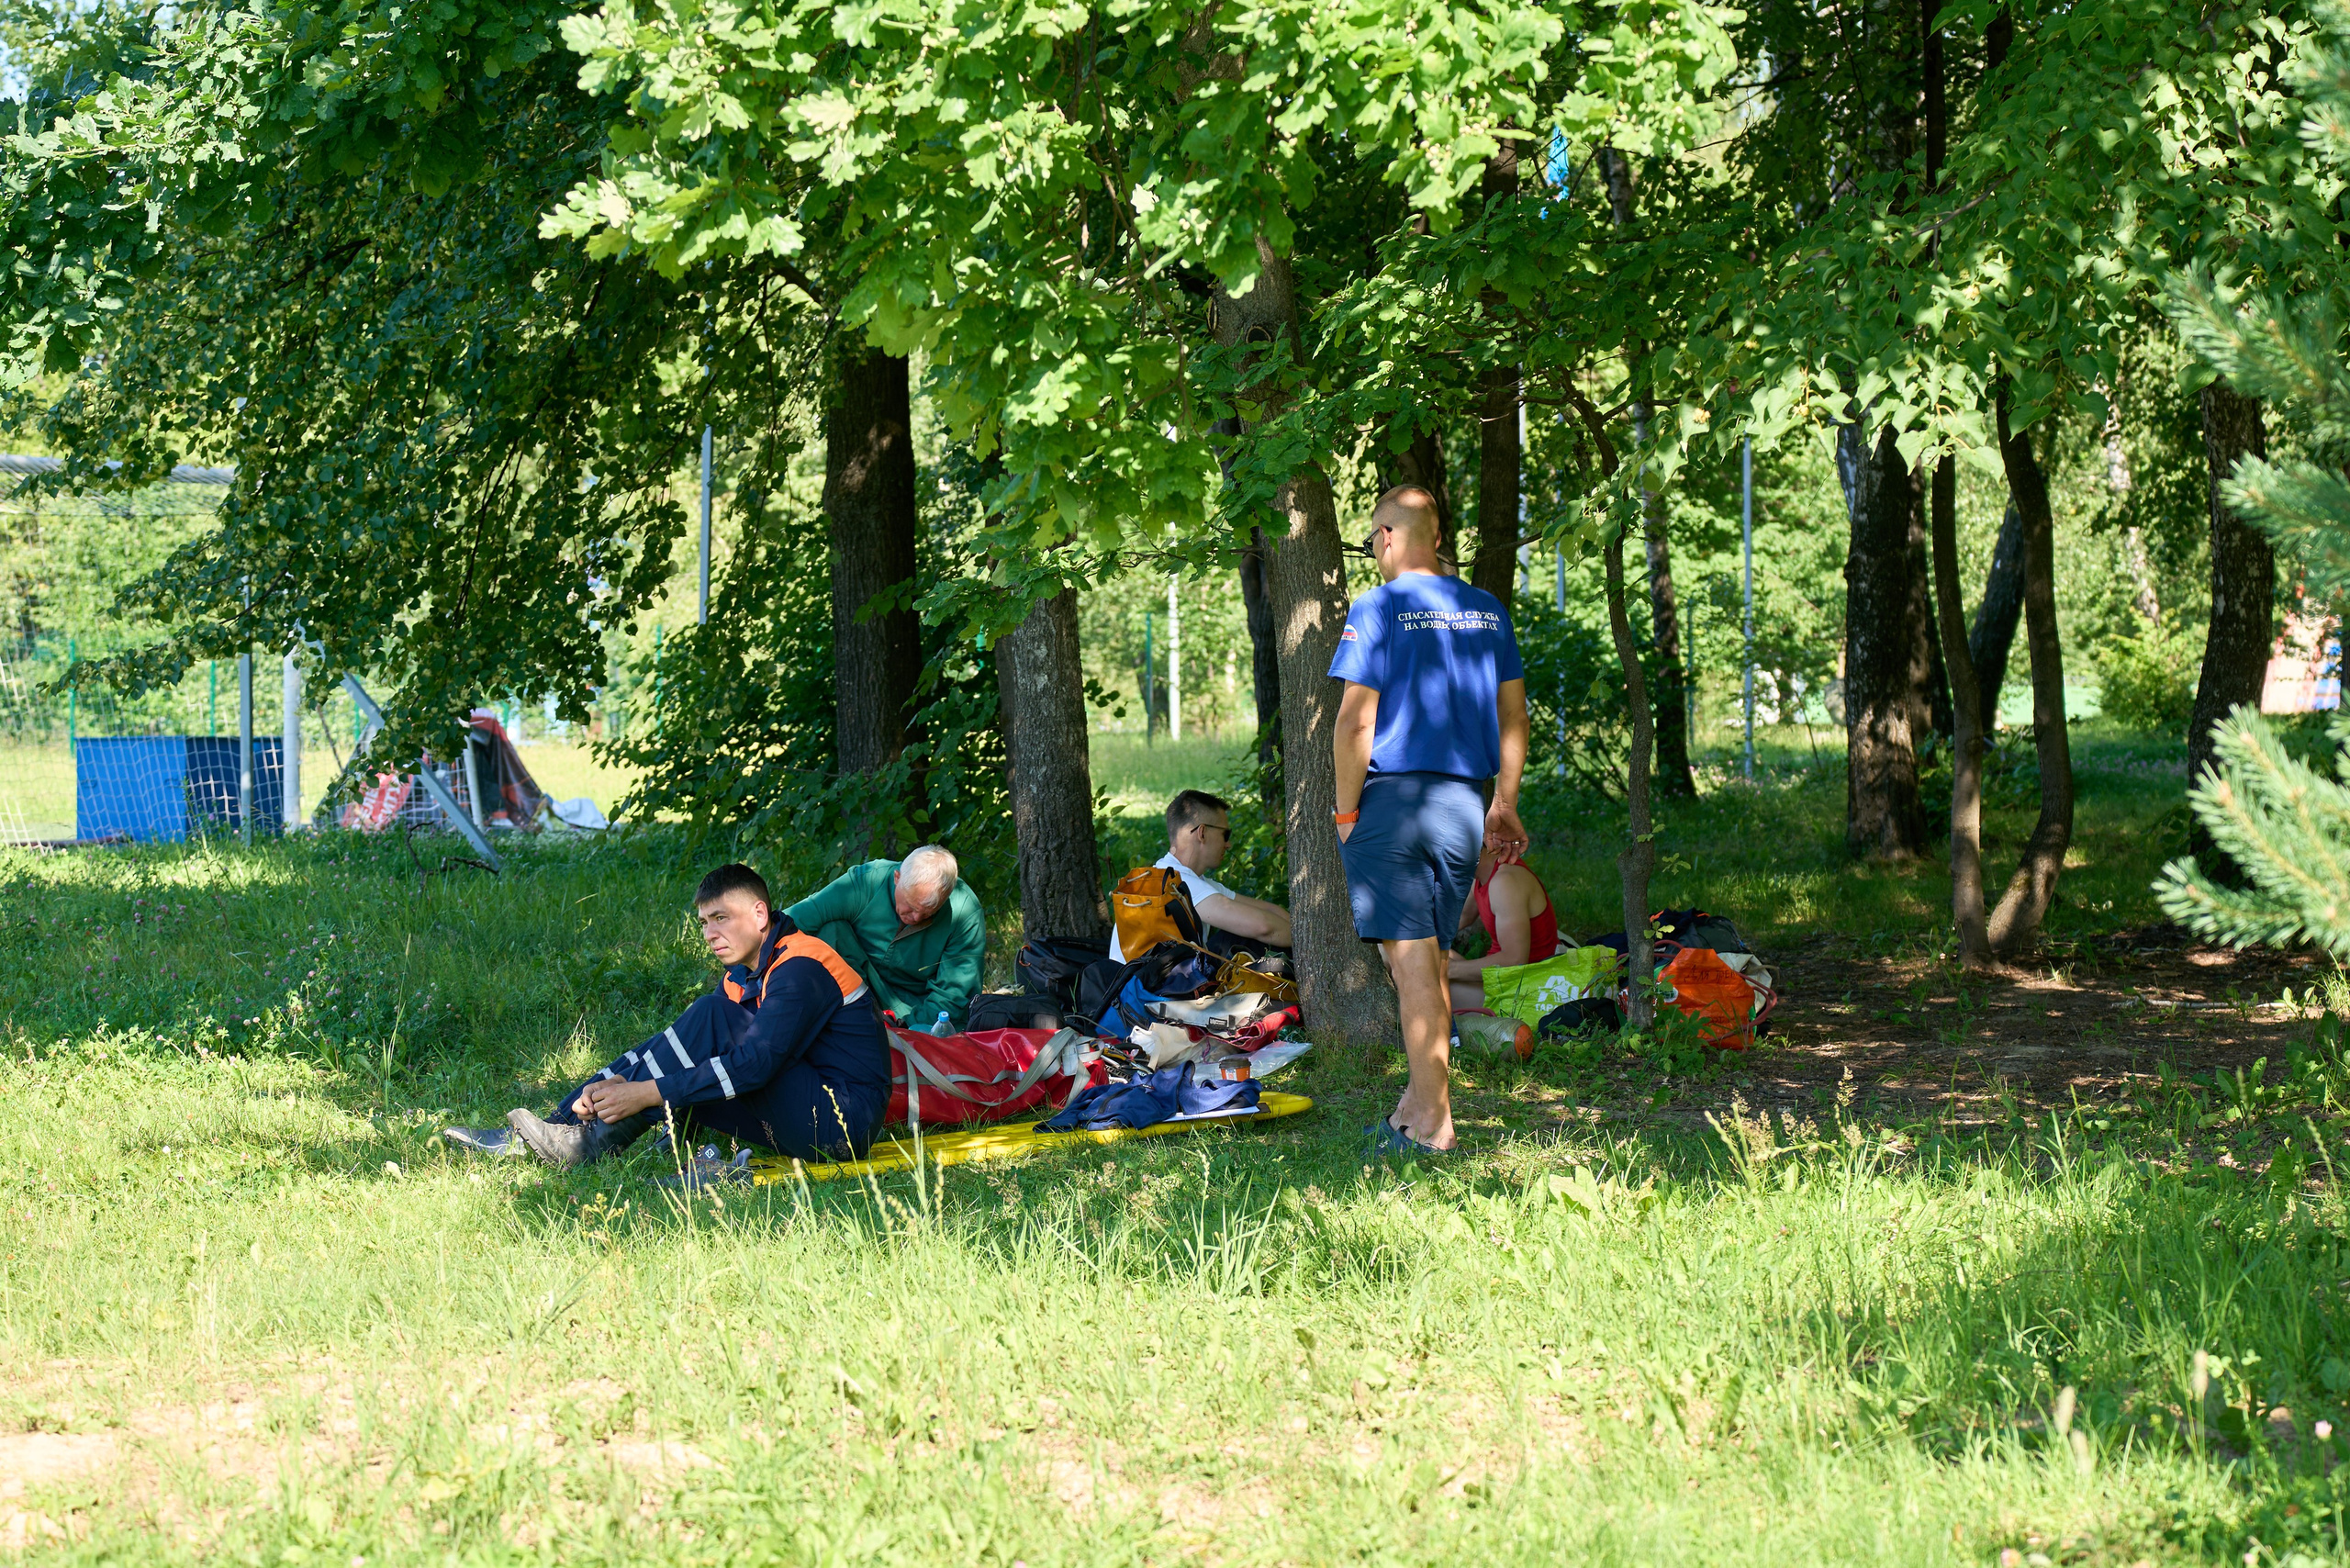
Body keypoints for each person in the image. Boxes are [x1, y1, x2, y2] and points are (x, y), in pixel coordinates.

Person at [446, 863, 891, 1170]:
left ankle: (586, 1144)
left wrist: (646, 1093)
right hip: (805, 1102)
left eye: (721, 918)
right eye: (703, 922)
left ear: (759, 914)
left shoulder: (802, 966)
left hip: (841, 1126)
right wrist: (623, 1082)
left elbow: (756, 1064)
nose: (710, 934)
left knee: (712, 1017)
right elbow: (687, 1050)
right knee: (690, 1035)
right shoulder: (748, 968)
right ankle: (560, 1126)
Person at [1330, 485, 1529, 1155]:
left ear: (1387, 537)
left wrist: (1346, 812)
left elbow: (1356, 720)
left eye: (1372, 540)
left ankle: (1435, 1127)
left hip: (1393, 803)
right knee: (1426, 964)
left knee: (1411, 964)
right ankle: (1412, 1109)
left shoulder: (1379, 607)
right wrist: (1503, 801)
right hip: (1463, 805)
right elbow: (1513, 718)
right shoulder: (1485, 610)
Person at [785, 846, 985, 1031]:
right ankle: (842, 1017)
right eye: (910, 906)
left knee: (937, 1032)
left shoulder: (964, 912)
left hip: (917, 1005)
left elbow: (952, 997)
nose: (915, 918)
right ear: (896, 878)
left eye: (927, 913)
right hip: (858, 985)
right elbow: (798, 918)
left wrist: (905, 1026)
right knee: (830, 931)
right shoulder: (868, 882)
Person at [1108, 790, 1293, 962]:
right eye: (1225, 835)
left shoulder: (1180, 879)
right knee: (1246, 940)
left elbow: (1270, 911)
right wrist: (1309, 940)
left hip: (1161, 986)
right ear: (1202, 833)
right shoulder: (1181, 885)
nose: (1228, 845)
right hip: (1148, 994)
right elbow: (1264, 927)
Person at [1446, 842, 1563, 1011]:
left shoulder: (1504, 882)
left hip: (1525, 992)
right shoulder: (1482, 877)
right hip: (1500, 981)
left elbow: (1514, 960)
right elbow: (1462, 917)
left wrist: (1451, 969)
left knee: (1423, 978)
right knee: (1415, 952)